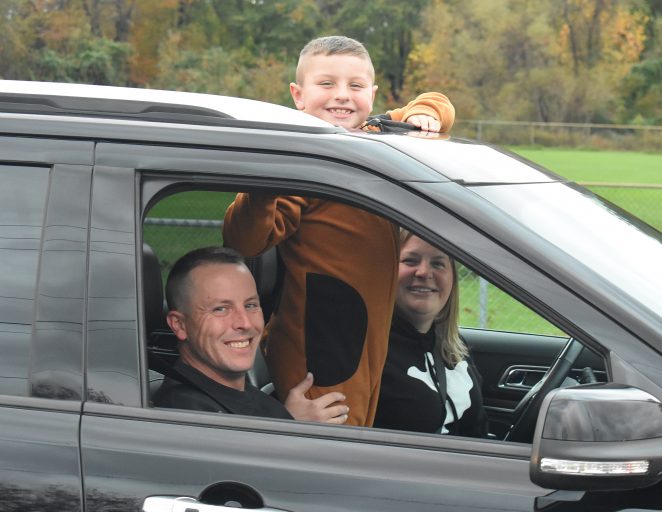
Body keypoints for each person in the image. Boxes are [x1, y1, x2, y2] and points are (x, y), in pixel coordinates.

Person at [222, 36, 455, 426]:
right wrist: (264, 181)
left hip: (367, 337)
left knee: (364, 419)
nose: (342, 96)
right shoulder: (302, 163)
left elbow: (439, 102)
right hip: (323, 350)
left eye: (356, 86)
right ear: (298, 95)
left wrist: (426, 113)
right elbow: (245, 238)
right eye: (327, 84)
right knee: (341, 438)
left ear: (373, 93)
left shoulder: (374, 137)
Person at [153, 246, 349, 424]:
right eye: (221, 309)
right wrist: (292, 430)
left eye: (250, 305)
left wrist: (286, 419)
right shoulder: (189, 417)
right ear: (179, 325)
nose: (245, 323)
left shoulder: (231, 393)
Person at [374, 231, 488, 437]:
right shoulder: (370, 350)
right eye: (410, 260)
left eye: (438, 263)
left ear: (452, 278)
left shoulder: (454, 346)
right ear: (388, 270)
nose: (424, 272)